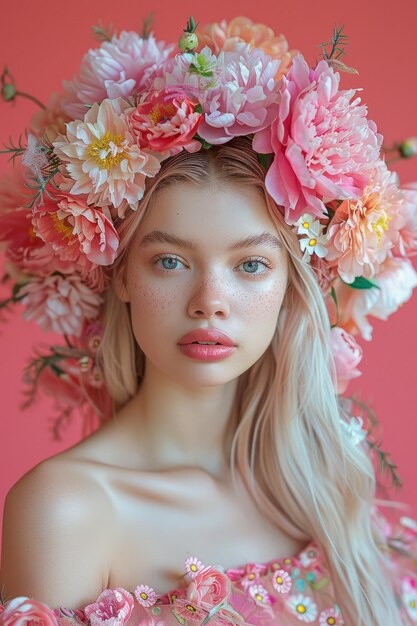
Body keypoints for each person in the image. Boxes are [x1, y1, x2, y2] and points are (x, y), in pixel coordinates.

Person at [1, 16, 417, 626]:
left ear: (289, 287)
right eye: (170, 260)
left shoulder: (327, 485)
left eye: (250, 264)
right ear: (118, 272)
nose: (209, 301)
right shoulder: (69, 510)